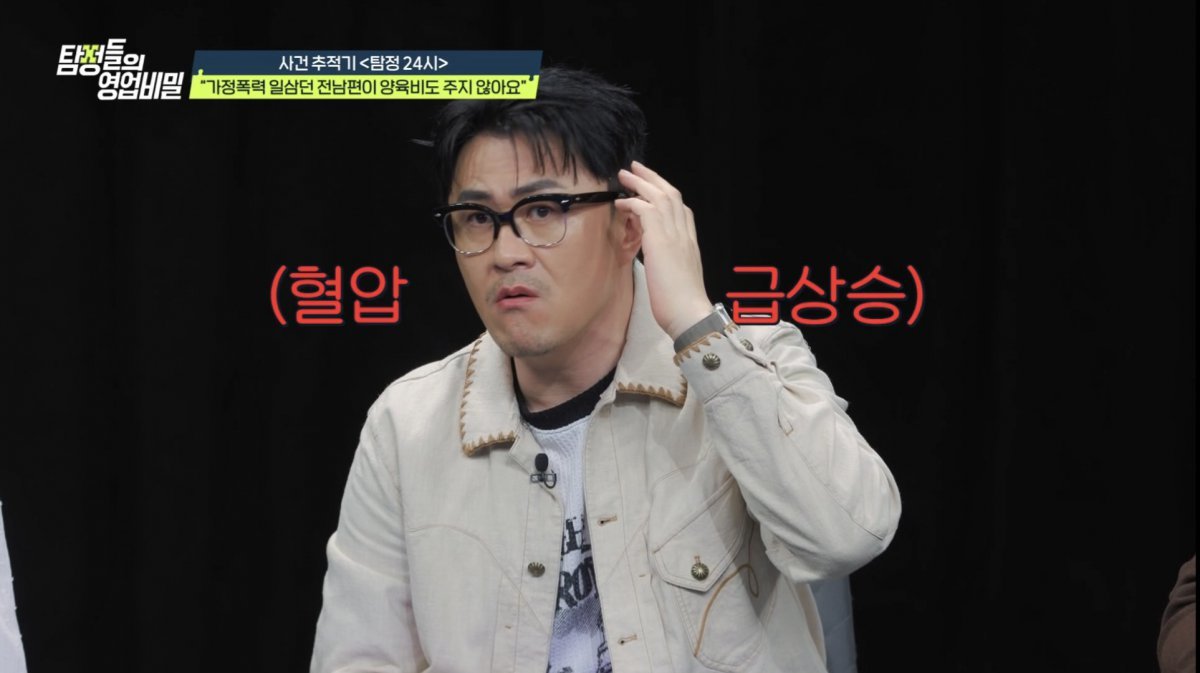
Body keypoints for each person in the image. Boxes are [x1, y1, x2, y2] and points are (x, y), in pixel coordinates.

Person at [310, 66, 901, 673]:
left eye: (544, 209)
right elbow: (357, 659)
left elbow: (847, 536)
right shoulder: (406, 424)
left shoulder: (751, 364)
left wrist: (696, 324)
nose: (505, 253)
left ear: (629, 227)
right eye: (478, 217)